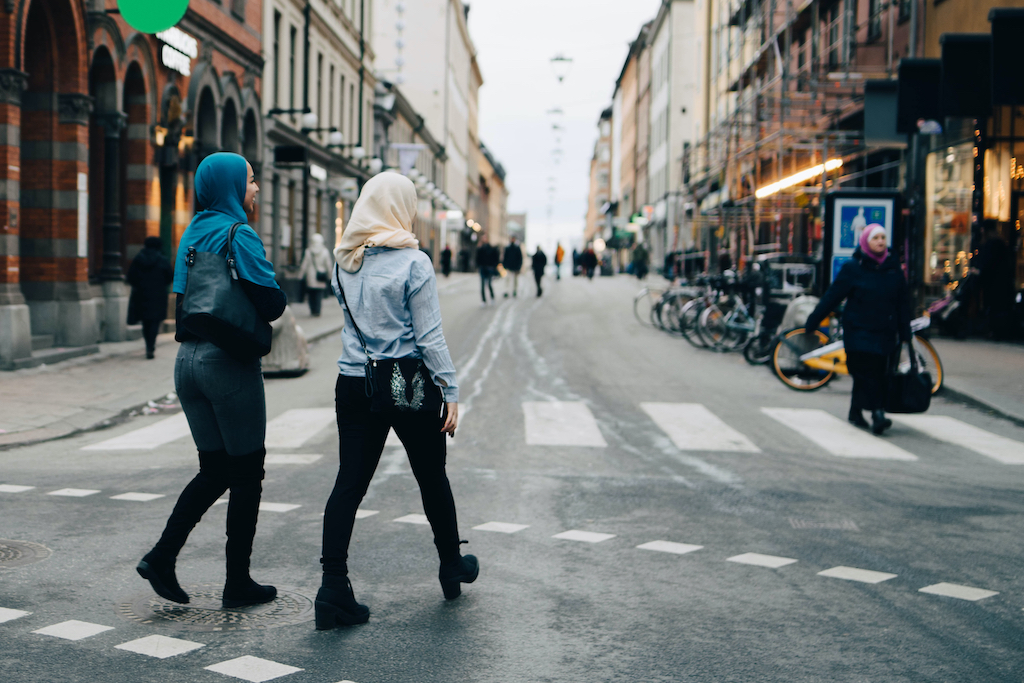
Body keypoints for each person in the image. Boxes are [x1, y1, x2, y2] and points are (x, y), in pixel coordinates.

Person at [318, 172, 475, 630]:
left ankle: (332, 587)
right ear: (400, 208)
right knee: (431, 476)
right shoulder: (414, 263)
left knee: (349, 482)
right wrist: (450, 389)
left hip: (354, 383)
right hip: (408, 383)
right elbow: (428, 337)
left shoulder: (344, 262)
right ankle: (451, 566)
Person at [137, 153, 287, 609]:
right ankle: (237, 583)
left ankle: (161, 557)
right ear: (229, 187)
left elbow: (183, 300)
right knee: (247, 474)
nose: (256, 188)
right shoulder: (238, 234)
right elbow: (273, 303)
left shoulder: (190, 234)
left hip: (187, 362)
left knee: (215, 469)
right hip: (228, 363)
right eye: (251, 180)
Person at [804, 224, 911, 435]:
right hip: (858, 330)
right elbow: (832, 296)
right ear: (865, 242)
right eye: (876, 238)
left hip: (884, 331)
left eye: (883, 237)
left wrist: (905, 332)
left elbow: (903, 304)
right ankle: (878, 413)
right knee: (864, 371)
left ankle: (855, 411)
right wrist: (814, 320)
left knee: (876, 373)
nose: (881, 241)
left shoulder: (893, 269)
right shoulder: (853, 268)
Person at [127, 236, 173, 359]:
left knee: (145, 322)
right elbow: (169, 276)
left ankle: (148, 345)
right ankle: (151, 347)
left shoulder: (138, 259)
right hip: (158, 295)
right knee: (154, 322)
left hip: (141, 295)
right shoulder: (162, 260)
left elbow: (130, 277)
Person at [973, 221, 1015, 339]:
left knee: (993, 307)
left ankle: (994, 331)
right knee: (999, 307)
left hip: (994, 284)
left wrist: (978, 272)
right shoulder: (1000, 243)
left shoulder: (991, 244)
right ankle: (998, 331)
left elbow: (987, 265)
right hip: (1002, 282)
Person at [299, 232, 333, 317]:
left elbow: (304, 264)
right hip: (320, 276)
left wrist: (300, 275)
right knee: (319, 295)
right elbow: (328, 265)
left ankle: (312, 310)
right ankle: (317, 310)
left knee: (311, 295)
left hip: (311, 277)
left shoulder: (308, 251)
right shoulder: (325, 251)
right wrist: (330, 276)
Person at [476, 234, 499, 304]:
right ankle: (483, 300)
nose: (484, 239)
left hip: (489, 268)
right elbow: (477, 258)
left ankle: (492, 297)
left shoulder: (491, 248)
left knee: (489, 284)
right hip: (483, 268)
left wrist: (494, 267)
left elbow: (495, 258)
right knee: (482, 286)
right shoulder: (480, 249)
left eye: (485, 238)